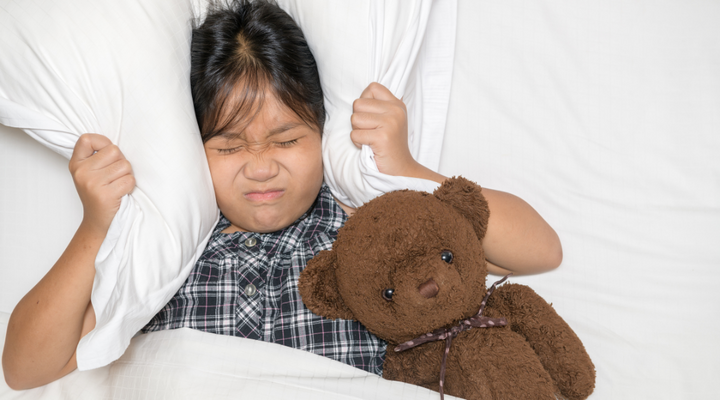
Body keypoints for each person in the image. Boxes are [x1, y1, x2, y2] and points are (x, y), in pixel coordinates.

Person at [2, 0, 562, 390]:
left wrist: (403, 169)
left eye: (288, 139)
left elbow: (539, 251)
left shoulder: (365, 229)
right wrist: (98, 225)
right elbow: (26, 368)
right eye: (227, 148)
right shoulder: (164, 253)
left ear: (323, 132)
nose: (261, 168)